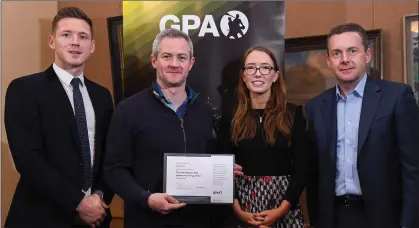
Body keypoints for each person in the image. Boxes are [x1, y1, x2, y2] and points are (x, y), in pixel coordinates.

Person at [103, 28, 242, 228]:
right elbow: (113, 169)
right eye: (167, 56)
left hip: (197, 222)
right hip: (147, 221)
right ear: (154, 60)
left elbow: (211, 160)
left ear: (191, 63)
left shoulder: (205, 112)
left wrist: (222, 171)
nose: (174, 64)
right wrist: (146, 198)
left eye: (181, 57)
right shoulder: (128, 110)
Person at [4, 7, 114, 228]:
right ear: (52, 41)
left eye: (83, 37)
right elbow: (28, 160)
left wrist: (99, 198)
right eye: (67, 35)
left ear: (91, 46)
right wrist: (78, 202)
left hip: (95, 219)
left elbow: (109, 156)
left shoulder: (102, 96)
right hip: (40, 217)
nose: (75, 42)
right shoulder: (24, 89)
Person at [305, 23, 419, 228]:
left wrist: (409, 223)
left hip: (385, 218)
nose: (345, 59)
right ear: (329, 61)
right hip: (334, 218)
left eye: (352, 51)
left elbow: (413, 169)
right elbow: (314, 174)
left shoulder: (396, 97)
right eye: (337, 53)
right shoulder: (315, 107)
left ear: (367, 55)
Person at [217, 46, 308, 228]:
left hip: (284, 208)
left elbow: (302, 168)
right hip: (241, 210)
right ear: (244, 76)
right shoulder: (229, 116)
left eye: (265, 67)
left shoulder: (293, 114)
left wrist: (281, 210)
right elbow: (222, 168)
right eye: (251, 68)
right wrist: (238, 212)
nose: (258, 73)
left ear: (275, 75)